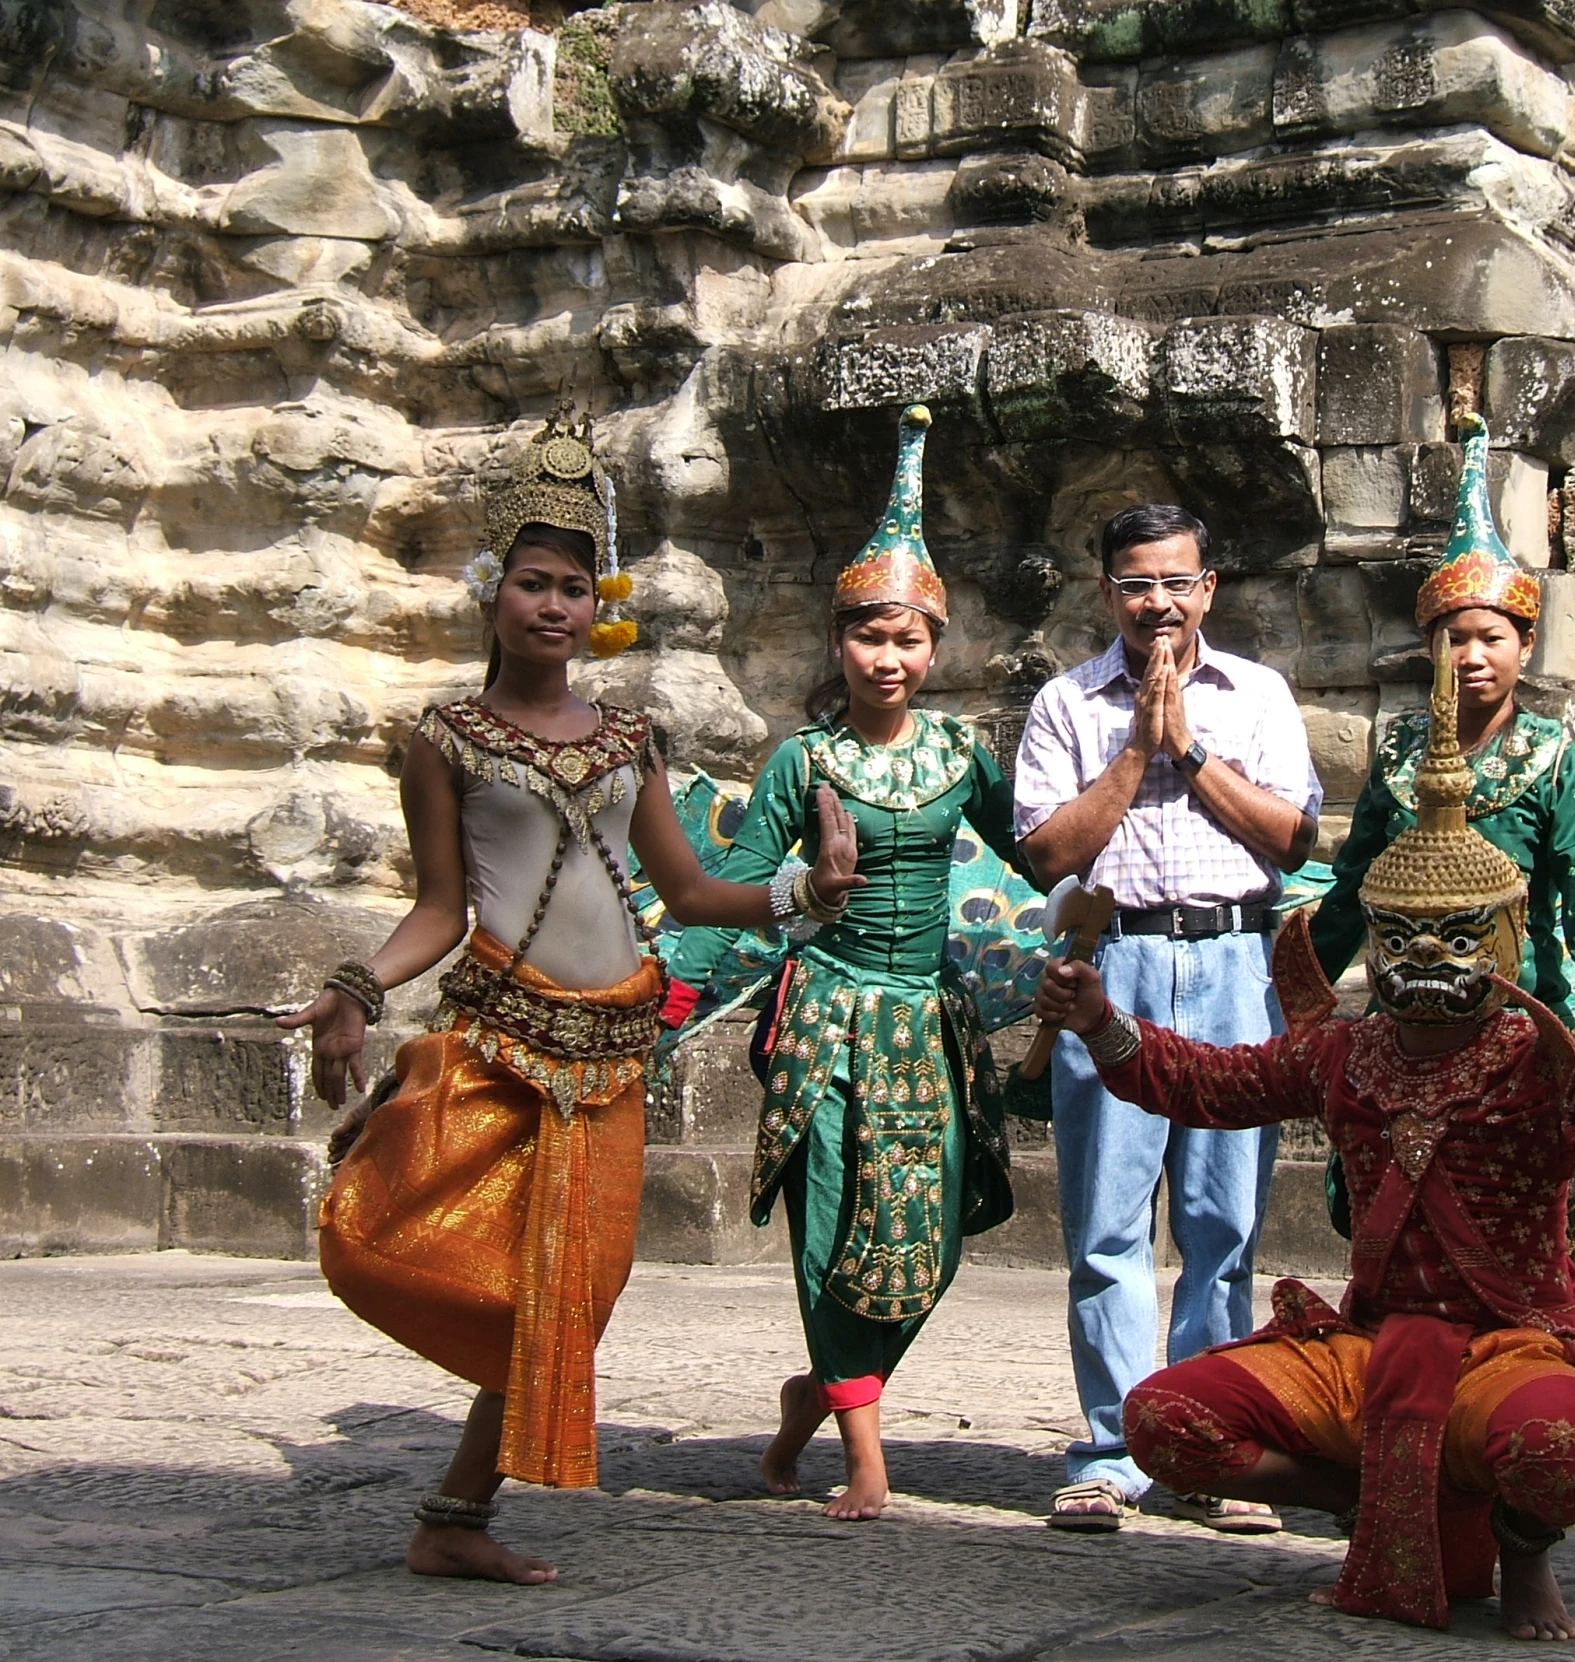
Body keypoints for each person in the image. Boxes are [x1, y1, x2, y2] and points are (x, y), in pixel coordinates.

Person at [1031, 639, 1575, 1637]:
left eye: (1459, 934)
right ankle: (1369, 1496)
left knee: (1561, 1445)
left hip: (1504, 1351)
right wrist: (1098, 1024)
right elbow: (1212, 1083)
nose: (1428, 955)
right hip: (1370, 1349)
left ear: (1504, 939)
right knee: (1164, 1421)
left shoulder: (1537, 1060)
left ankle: (1522, 1556)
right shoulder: (1349, 1052)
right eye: (1403, 935)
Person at [286, 407, 863, 1585]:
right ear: (491, 592)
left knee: (577, 1291)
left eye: (573, 587)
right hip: (502, 1038)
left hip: (610, 1057)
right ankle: (456, 1512)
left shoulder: (630, 737)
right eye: (533, 584)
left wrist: (808, 887)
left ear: (596, 604)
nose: (553, 607)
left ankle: (454, 1514)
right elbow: (441, 910)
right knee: (465, 1267)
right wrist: (357, 982)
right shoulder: (443, 739)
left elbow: (693, 891)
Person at [733, 407, 1024, 1521]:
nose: (887, 659)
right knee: (832, 1220)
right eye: (868, 638)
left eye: (908, 641)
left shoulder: (962, 754)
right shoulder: (801, 761)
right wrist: (799, 898)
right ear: (836, 643)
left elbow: (1036, 857)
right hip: (827, 1015)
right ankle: (865, 1451)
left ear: (934, 650)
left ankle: (814, 1396)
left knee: (929, 1235)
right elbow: (733, 893)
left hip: (931, 1023)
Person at [1013, 503, 1323, 1534]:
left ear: (1208, 588)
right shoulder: (1066, 702)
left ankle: (1205, 1450)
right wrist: (1135, 752)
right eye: (1136, 584)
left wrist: (1189, 751)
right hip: (1113, 964)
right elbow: (1049, 855)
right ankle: (1109, 1453)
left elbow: (1292, 838)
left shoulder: (1258, 695)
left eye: (1176, 583)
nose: (1157, 604)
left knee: (1221, 1226)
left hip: (1235, 959)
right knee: (1106, 1229)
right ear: (1105, 592)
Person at [1310, 417, 1575, 1096]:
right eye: (1454, 637)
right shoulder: (1397, 754)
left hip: (1520, 1030)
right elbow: (1353, 892)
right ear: (1429, 644)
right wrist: (1293, 1000)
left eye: (1491, 638)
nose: (1471, 656)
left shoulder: (1553, 761)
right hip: (1401, 1029)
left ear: (1525, 646)